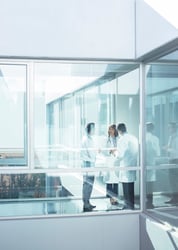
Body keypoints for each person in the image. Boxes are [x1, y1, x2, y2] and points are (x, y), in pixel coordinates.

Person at [113, 123, 138, 210]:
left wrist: (114, 153)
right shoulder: (133, 138)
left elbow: (120, 155)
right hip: (133, 165)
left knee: (126, 187)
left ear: (119, 130)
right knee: (131, 186)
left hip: (125, 165)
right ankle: (131, 205)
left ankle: (127, 206)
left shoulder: (122, 140)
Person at [81, 122, 97, 212]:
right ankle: (86, 204)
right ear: (89, 129)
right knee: (87, 184)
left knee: (89, 184)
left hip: (89, 163)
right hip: (88, 163)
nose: (94, 130)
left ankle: (87, 202)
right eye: (93, 128)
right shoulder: (87, 139)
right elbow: (91, 154)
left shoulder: (89, 138)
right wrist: (96, 153)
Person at [103, 124, 119, 206]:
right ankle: (111, 199)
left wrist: (116, 151)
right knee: (109, 181)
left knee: (115, 181)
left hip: (116, 162)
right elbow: (104, 151)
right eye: (109, 129)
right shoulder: (107, 140)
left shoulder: (118, 139)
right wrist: (110, 151)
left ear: (115, 130)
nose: (110, 131)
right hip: (109, 162)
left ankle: (115, 199)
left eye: (111, 129)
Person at [145, 122, 160, 208]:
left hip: (143, 164)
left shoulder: (142, 138)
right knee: (150, 184)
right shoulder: (155, 139)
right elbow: (157, 153)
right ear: (153, 129)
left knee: (145, 184)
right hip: (151, 163)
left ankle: (146, 201)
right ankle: (150, 203)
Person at [164, 122, 178, 204]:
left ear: (174, 128)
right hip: (171, 159)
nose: (169, 129)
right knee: (172, 180)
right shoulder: (171, 137)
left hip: (176, 160)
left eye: (170, 128)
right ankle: (174, 198)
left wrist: (167, 149)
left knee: (174, 180)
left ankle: (175, 198)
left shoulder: (176, 138)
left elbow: (176, 151)